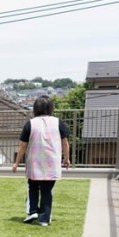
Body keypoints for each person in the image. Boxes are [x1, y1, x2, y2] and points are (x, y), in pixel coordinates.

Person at [11, 95, 71, 227]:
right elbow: (65, 143)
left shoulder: (30, 124)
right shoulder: (58, 122)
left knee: (32, 186)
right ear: (51, 108)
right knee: (46, 190)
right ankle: (44, 218)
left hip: (34, 161)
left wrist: (16, 162)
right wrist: (66, 158)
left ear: (35, 108)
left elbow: (22, 145)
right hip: (51, 161)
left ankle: (33, 210)